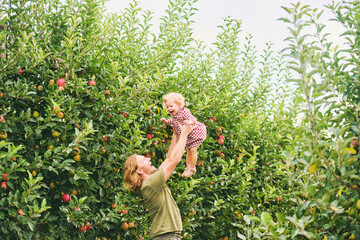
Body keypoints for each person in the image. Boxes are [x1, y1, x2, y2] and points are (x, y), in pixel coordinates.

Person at [124, 123, 195, 240]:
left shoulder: (152, 182)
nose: (149, 158)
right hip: (165, 236)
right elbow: (175, 159)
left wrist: (176, 133)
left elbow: (169, 158)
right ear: (140, 170)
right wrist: (185, 134)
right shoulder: (150, 184)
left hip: (167, 236)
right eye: (144, 159)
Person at [160, 92, 206, 178]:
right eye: (167, 107)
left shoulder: (184, 112)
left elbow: (192, 119)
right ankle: (188, 167)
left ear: (179, 105)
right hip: (189, 136)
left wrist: (189, 122)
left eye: (171, 106)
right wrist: (166, 121)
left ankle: (192, 167)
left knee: (192, 150)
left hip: (197, 132)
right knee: (189, 150)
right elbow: (172, 121)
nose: (169, 109)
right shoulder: (174, 116)